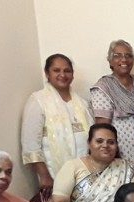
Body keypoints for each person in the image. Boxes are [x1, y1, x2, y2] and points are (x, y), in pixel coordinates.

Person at [52, 123, 134, 202]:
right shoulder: (73, 166)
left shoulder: (125, 168)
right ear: (89, 143)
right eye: (99, 141)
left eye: (111, 142)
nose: (105, 145)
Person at [21, 53, 93, 193]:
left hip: (84, 174)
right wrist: (44, 176)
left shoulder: (81, 103)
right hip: (53, 175)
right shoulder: (38, 101)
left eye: (67, 71)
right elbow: (30, 145)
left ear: (72, 74)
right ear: (47, 73)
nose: (62, 74)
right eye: (56, 70)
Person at [90, 40, 134, 180]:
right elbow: (101, 127)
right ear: (110, 61)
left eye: (128, 56)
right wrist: (109, 152)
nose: (124, 59)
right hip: (118, 149)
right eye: (118, 55)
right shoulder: (103, 87)